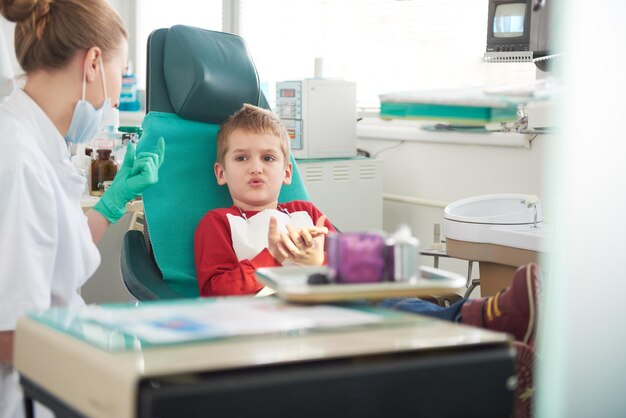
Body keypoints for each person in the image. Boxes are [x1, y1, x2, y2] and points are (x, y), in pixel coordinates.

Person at [0, 1, 164, 417]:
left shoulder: (37, 143)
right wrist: (106, 343)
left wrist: (113, 202)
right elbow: (9, 332)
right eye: (121, 72)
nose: (117, 92)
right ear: (93, 62)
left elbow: (55, 253)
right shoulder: (20, 159)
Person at [194, 103, 335, 296]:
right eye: (241, 158)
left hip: (320, 313)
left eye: (268, 158)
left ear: (286, 172)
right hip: (257, 320)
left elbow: (356, 269)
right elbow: (216, 292)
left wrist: (318, 261)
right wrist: (273, 256)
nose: (256, 168)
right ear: (221, 173)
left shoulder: (306, 213)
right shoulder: (218, 222)